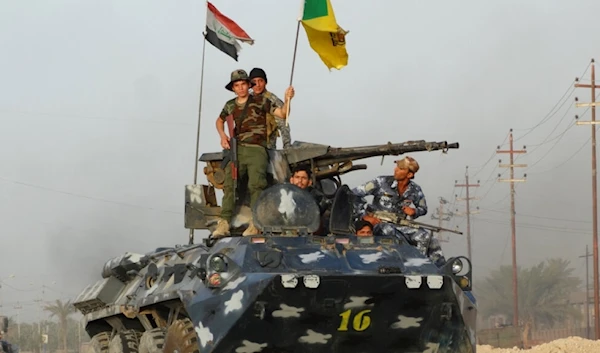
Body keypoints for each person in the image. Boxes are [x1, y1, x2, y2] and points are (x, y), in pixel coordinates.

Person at [213, 69, 295, 237]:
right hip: (237, 149)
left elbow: (282, 114)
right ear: (233, 88)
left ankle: (256, 223)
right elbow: (219, 120)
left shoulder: (260, 101)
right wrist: (223, 136)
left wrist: (287, 99)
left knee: (256, 185)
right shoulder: (230, 105)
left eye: (243, 84)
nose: (241, 88)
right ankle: (224, 223)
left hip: (257, 149)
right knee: (230, 185)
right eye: (237, 85)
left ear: (248, 85)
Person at [352, 156, 446, 266]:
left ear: (409, 174)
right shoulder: (381, 182)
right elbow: (353, 194)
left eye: (400, 169)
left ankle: (433, 268)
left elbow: (423, 208)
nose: (395, 170)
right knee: (389, 231)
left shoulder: (415, 190)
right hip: (379, 224)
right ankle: (409, 263)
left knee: (428, 238)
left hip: (400, 224)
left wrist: (414, 212)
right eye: (397, 167)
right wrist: (364, 216)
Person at [249, 68, 293, 149]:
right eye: (254, 82)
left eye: (260, 81)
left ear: (265, 82)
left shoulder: (272, 99)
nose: (257, 85)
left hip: (268, 148)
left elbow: (284, 119)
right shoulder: (246, 100)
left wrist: (287, 146)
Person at [289, 165, 331, 234]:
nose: (300, 181)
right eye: (297, 177)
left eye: (304, 178)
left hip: (307, 233)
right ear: (291, 180)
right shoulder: (284, 194)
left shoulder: (316, 197)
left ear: (309, 182)